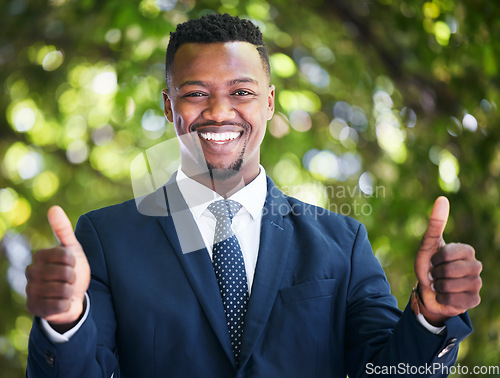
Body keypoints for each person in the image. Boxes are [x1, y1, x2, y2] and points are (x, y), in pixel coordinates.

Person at [25, 14, 482, 378]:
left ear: (269, 102)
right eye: (195, 93)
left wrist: (431, 316)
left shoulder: (343, 243)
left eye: (241, 91)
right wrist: (66, 324)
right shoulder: (107, 240)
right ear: (169, 106)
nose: (219, 111)